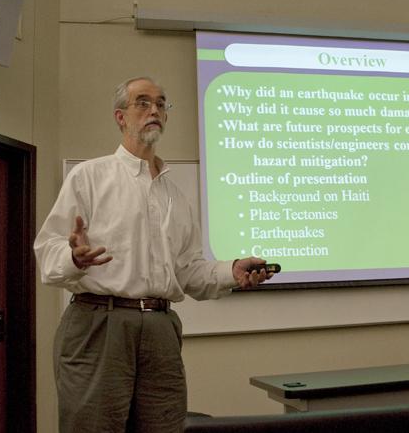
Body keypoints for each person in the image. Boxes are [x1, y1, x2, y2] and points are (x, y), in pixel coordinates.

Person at [34, 76, 273, 433]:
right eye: (142, 102)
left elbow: (188, 272)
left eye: (161, 104)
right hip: (100, 322)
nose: (154, 110)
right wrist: (74, 258)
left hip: (160, 328)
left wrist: (232, 271)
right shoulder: (90, 176)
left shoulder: (175, 195)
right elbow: (47, 252)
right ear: (120, 117)